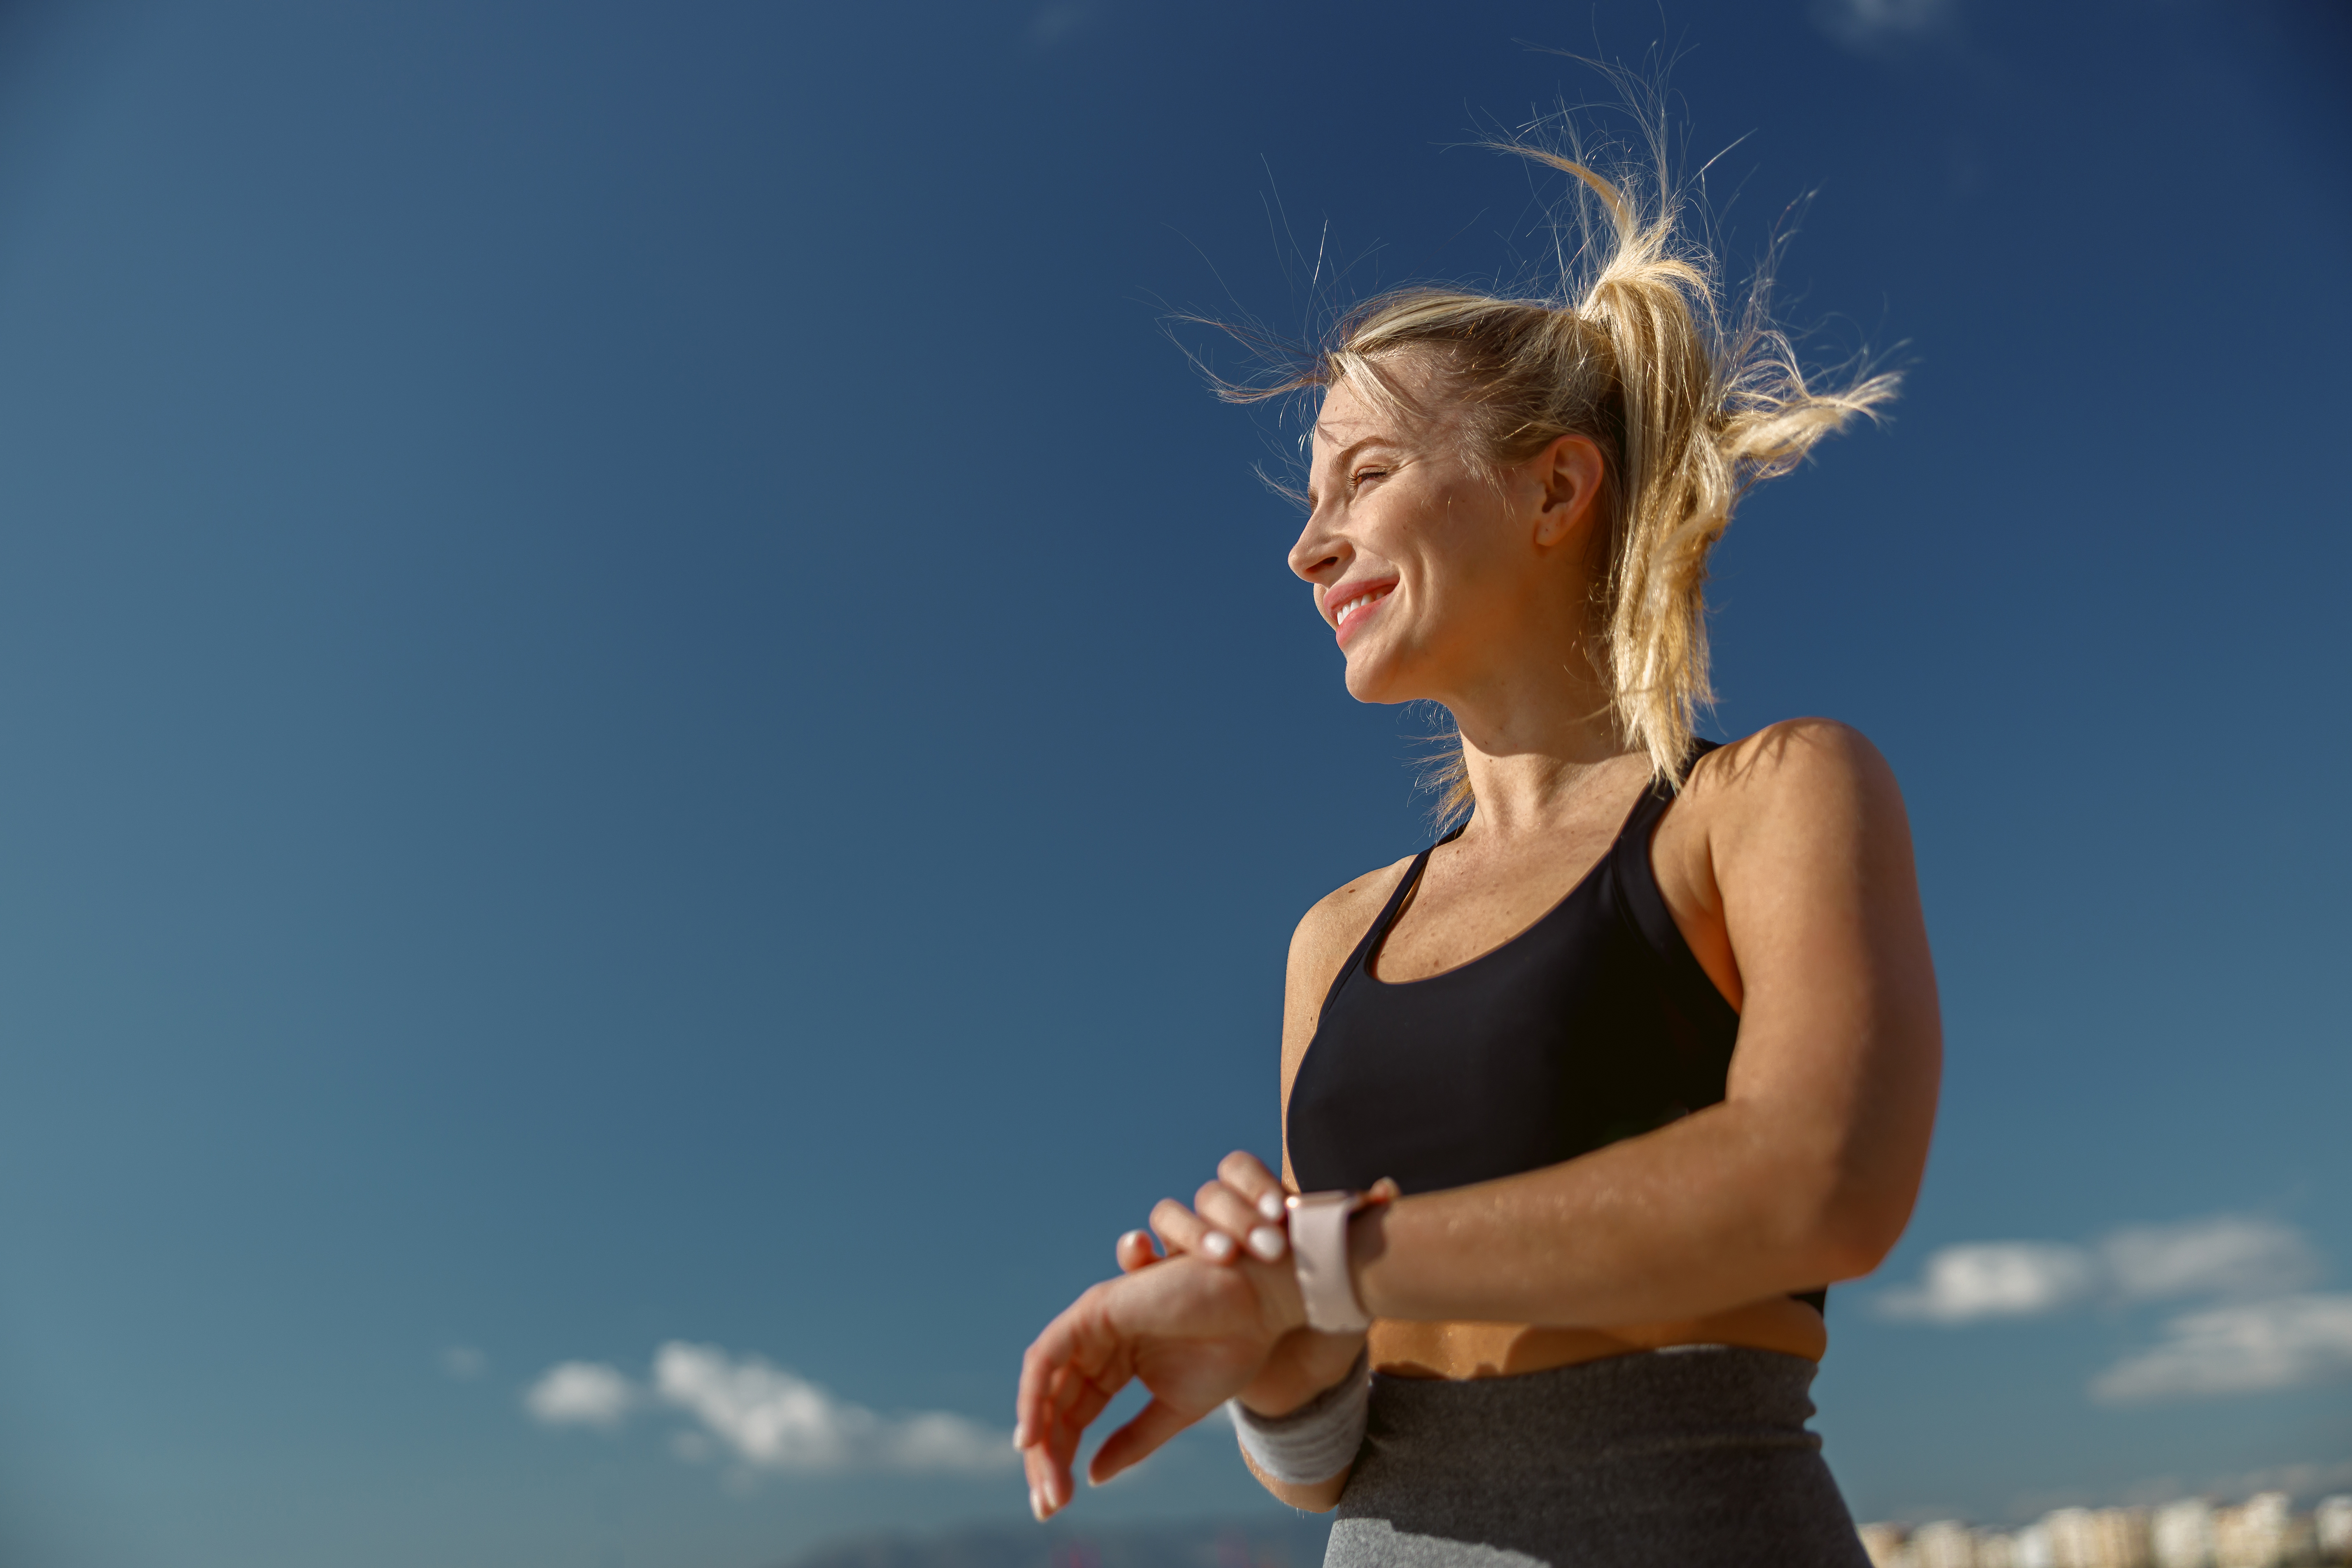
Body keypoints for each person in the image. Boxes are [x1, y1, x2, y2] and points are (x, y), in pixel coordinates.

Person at [1013, 128, 1942, 1568]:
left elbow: (1823, 1180)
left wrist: (1310, 1268)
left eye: (1363, 475)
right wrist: (1276, 1365)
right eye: (1310, 502)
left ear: (1555, 492)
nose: (1308, 548)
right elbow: (1334, 1462)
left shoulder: (1769, 797)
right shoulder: (1332, 941)